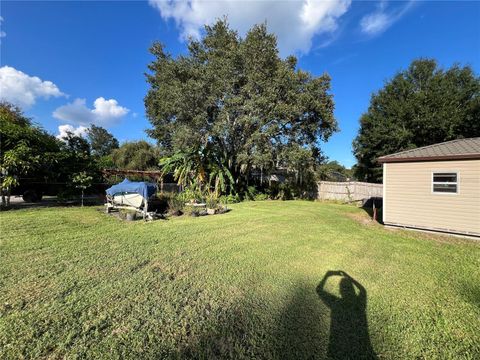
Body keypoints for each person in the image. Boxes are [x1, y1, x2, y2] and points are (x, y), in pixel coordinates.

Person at [317, 270, 377, 359]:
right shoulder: (359, 303)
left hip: (338, 348)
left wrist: (327, 275)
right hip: (361, 347)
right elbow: (363, 290)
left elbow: (319, 290)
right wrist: (348, 276)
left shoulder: (336, 304)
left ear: (340, 291)